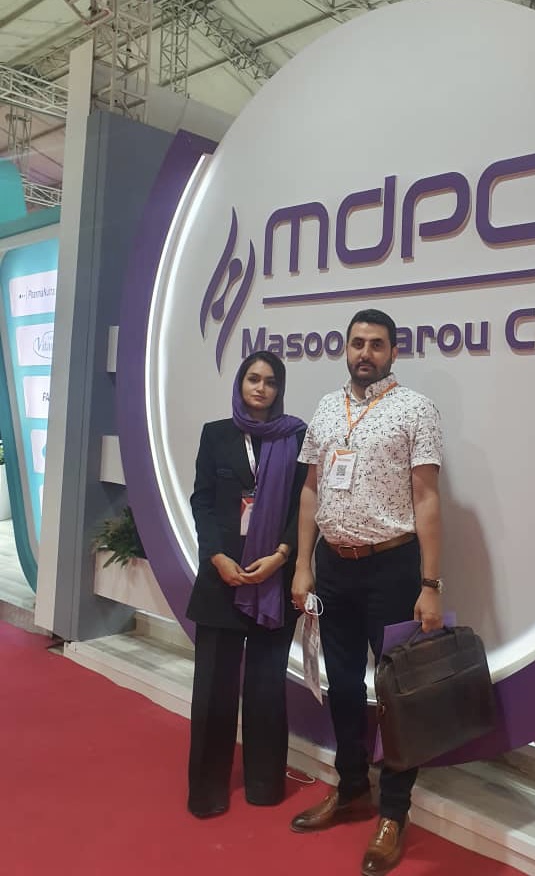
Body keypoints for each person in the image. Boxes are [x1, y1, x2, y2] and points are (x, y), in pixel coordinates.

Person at [290, 309, 444, 876]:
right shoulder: (327, 408)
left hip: (393, 567)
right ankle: (352, 785)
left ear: (394, 352)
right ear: (346, 348)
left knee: (398, 695)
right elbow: (310, 491)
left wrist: (430, 584)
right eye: (357, 343)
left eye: (377, 344)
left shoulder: (417, 409)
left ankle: (394, 812)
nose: (365, 353)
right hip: (334, 567)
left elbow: (427, 499)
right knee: (344, 685)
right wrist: (302, 565)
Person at [186, 350, 307, 818]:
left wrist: (281, 555)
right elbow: (202, 501)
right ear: (240, 383)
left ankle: (264, 786)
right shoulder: (216, 434)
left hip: (272, 579)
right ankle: (206, 791)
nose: (261, 388)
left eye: (270, 381)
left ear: (280, 389)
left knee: (265, 688)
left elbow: (305, 506)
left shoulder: (296, 437)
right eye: (253, 379)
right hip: (222, 577)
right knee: (213, 688)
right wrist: (216, 556)